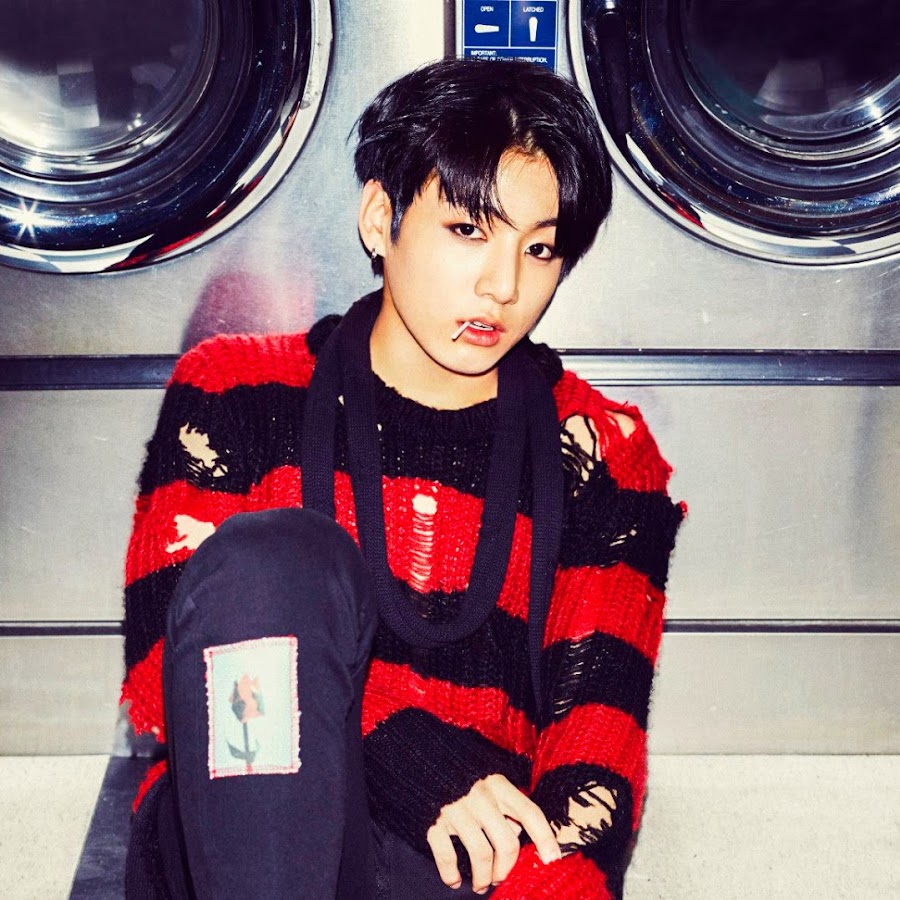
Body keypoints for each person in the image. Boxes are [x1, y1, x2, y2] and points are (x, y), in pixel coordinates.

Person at [121, 57, 684, 899]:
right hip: (244, 823)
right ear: (380, 219)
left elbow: (596, 744)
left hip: (463, 862)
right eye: (469, 231)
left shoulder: (601, 449)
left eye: (539, 248)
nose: (503, 286)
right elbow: (172, 667)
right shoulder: (237, 390)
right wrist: (416, 762)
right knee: (270, 562)